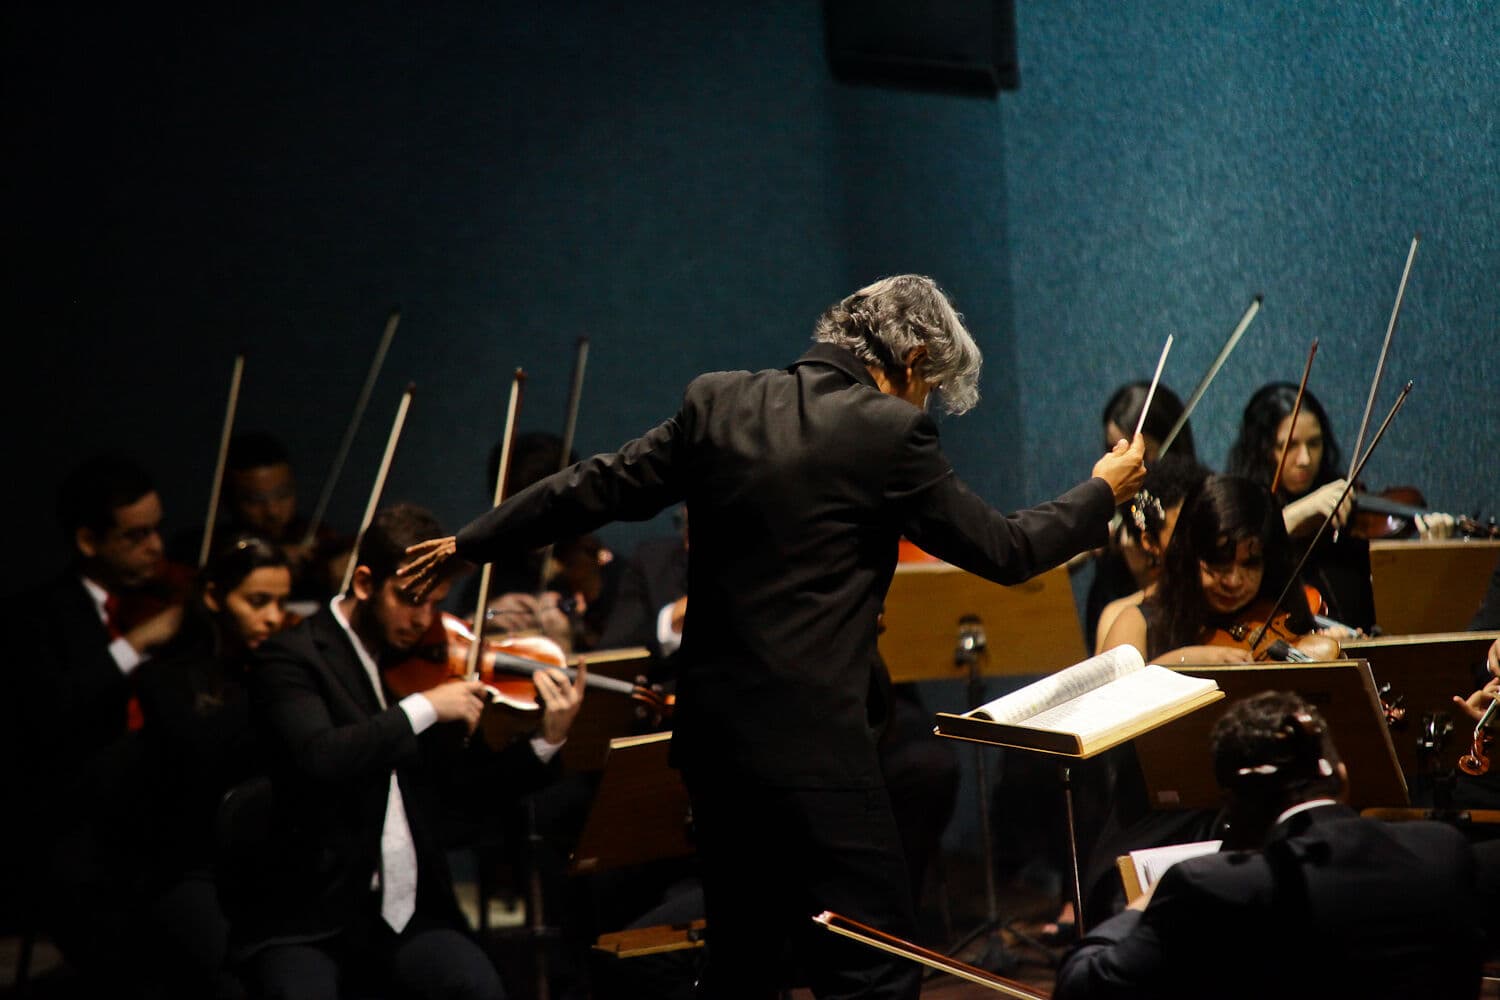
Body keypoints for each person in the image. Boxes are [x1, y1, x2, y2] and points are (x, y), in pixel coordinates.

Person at [399, 274, 1147, 999]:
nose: (927, 404)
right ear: (913, 360)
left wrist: (473, 542)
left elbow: (593, 485)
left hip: (717, 757)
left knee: (742, 966)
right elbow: (1007, 550)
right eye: (930, 388)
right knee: (872, 970)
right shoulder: (889, 430)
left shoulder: (718, 402)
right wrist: (1101, 491)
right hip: (822, 754)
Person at [236, 503, 586, 1000]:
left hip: (415, 916)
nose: (422, 620)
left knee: (478, 986)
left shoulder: (424, 663)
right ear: (363, 583)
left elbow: (463, 798)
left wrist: (545, 743)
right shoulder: (292, 659)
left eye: (435, 602)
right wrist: (424, 707)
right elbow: (321, 757)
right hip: (313, 918)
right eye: (408, 599)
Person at [1053, 690, 1486, 1000]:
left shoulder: (1208, 885)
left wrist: (1142, 905)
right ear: (1341, 773)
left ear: (1235, 804)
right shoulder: (1442, 852)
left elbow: (1081, 984)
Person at [10, 453, 189, 995]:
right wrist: (135, 645)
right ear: (89, 542)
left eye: (158, 529)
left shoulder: (174, 598)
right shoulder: (36, 618)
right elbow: (47, 716)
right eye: (136, 536)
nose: (157, 547)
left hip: (169, 813)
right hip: (79, 822)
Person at [135, 533, 294, 999]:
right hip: (189, 867)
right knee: (234, 980)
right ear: (214, 596)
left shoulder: (279, 669)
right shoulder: (164, 677)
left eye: (281, 603)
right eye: (257, 601)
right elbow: (202, 761)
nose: (273, 617)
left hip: (267, 865)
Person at [1100, 474, 1340, 667]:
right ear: (1190, 554)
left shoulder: (1282, 616)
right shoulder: (1137, 624)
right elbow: (1112, 707)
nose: (1234, 580)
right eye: (1219, 561)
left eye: (1250, 563)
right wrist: (1188, 659)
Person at [1225, 382, 1376, 633]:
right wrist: (1298, 513)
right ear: (1262, 449)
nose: (1304, 459)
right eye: (1289, 446)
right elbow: (1241, 551)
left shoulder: (1341, 510)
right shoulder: (1239, 506)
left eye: (1314, 444)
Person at [171, 431, 346, 609]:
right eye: (255, 500)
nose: (272, 511)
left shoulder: (318, 535)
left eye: (283, 495)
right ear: (228, 499)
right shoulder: (203, 547)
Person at [1082, 381, 1196, 652]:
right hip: (1112, 609)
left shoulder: (1193, 497)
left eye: (1137, 449)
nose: (1123, 460)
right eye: (1113, 448)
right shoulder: (1112, 500)